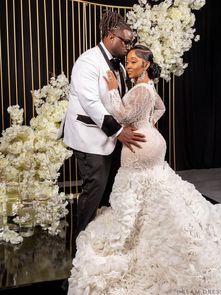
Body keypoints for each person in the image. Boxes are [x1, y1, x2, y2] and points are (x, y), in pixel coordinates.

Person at [67, 44, 221, 294]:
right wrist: (149, 123)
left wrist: (113, 92)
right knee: (155, 188)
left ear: (146, 65)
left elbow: (121, 117)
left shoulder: (139, 91)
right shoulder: (148, 88)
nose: (128, 65)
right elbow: (161, 108)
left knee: (139, 188)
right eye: (128, 61)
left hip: (139, 147)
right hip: (151, 143)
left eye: (134, 61)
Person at [62, 11, 146, 237]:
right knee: (95, 185)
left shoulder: (119, 64)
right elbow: (91, 103)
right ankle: (81, 238)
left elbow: (118, 99)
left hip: (109, 134)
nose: (129, 46)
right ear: (111, 36)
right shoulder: (88, 61)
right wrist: (118, 131)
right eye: (126, 41)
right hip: (88, 134)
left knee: (109, 187)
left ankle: (100, 233)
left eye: (132, 42)